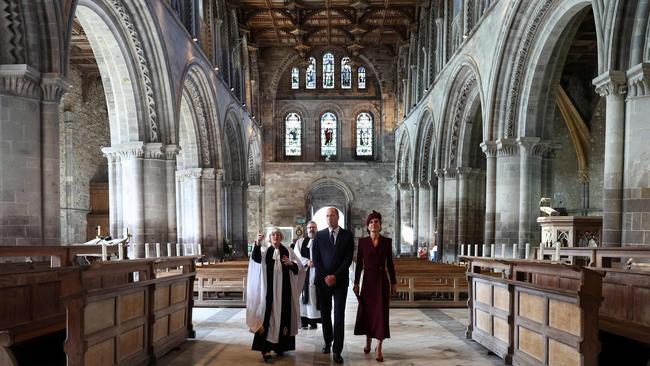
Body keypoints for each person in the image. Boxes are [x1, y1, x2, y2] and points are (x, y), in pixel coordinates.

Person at [246, 229, 306, 363]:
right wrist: (257, 243)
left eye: (278, 235)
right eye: (273, 235)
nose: (276, 236)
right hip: (269, 293)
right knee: (267, 319)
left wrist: (291, 264)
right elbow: (255, 260)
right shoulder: (264, 252)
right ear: (269, 238)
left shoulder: (288, 251)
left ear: (281, 237)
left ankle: (280, 347)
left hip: (284, 292)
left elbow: (299, 268)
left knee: (283, 317)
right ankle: (265, 349)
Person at [353, 210, 397, 362]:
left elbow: (390, 264)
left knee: (381, 313)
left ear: (380, 225)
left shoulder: (387, 242)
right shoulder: (363, 242)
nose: (374, 224)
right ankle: (368, 342)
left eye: (376, 222)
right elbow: (359, 264)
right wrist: (356, 282)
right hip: (368, 282)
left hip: (382, 280)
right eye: (371, 222)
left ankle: (379, 347)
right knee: (368, 313)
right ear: (368, 226)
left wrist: (394, 282)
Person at [312, 207, 354, 364]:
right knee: (325, 314)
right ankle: (327, 341)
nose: (329, 218)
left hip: (340, 282)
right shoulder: (320, 235)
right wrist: (326, 276)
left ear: (338, 217)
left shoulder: (347, 236)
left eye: (332, 215)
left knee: (339, 315)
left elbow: (348, 259)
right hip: (323, 281)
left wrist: (335, 276)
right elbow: (316, 258)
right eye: (327, 216)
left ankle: (337, 350)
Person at [293, 221, 321, 330]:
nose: (311, 229)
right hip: (305, 272)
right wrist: (307, 261)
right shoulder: (300, 242)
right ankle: (304, 321)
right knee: (303, 297)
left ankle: (313, 321)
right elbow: (296, 255)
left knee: (314, 296)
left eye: (313, 227)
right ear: (306, 229)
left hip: (317, 273)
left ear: (317, 229)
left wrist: (317, 262)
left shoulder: (321, 241)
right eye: (309, 227)